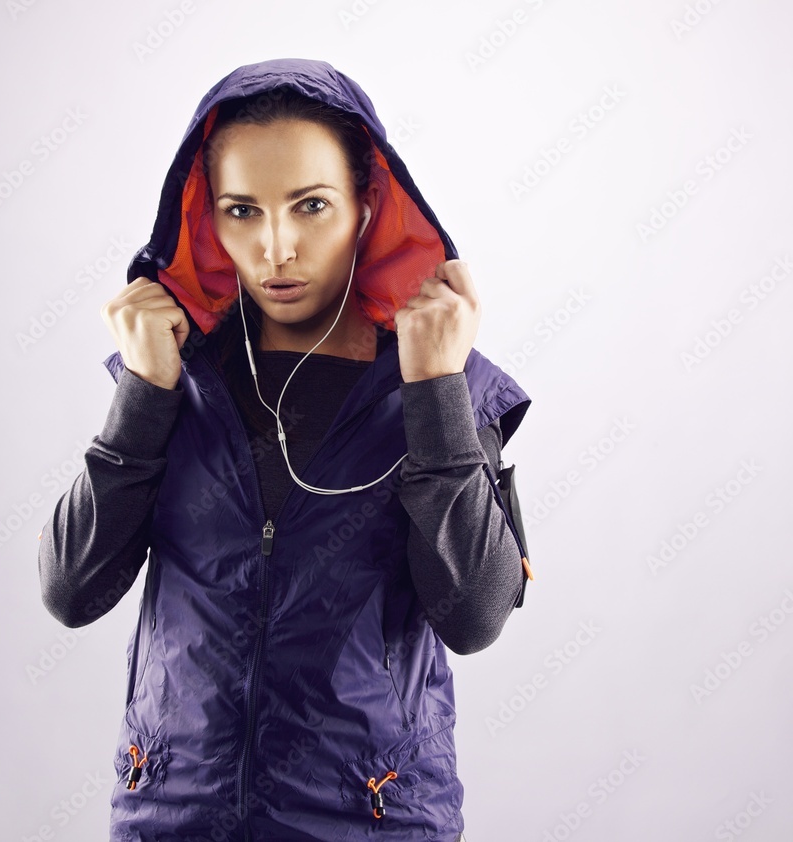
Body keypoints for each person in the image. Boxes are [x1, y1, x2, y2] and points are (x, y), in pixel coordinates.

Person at [38, 57, 532, 842]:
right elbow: (71, 592)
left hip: (371, 819)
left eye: (310, 206)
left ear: (368, 205)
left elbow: (474, 615)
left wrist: (434, 391)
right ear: (207, 217)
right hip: (172, 814)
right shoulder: (177, 372)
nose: (276, 248)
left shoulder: (441, 379)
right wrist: (144, 392)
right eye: (242, 210)